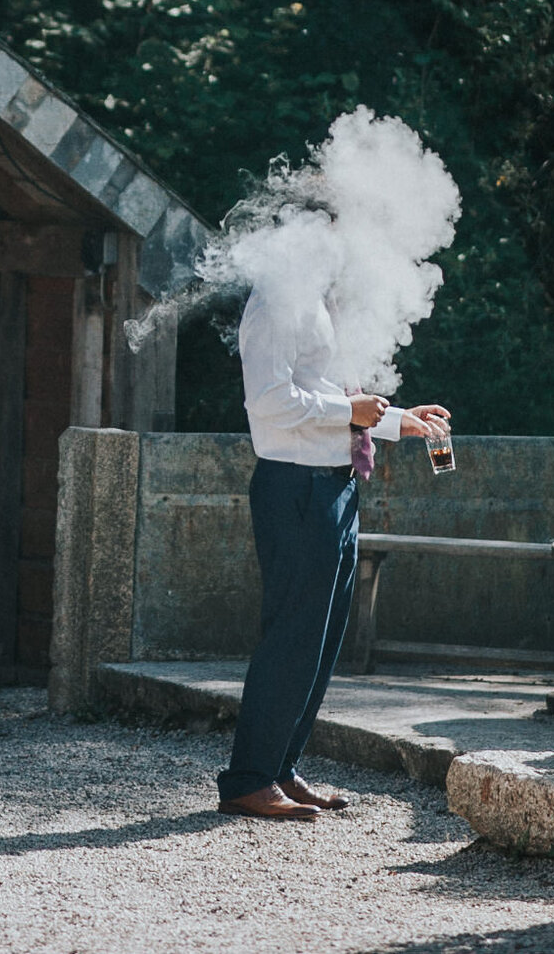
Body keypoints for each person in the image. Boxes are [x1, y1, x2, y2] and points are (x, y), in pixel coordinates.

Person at [216, 282, 452, 820]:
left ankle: (278, 768)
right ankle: (248, 779)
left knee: (321, 640)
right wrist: (351, 408)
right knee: (293, 635)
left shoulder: (325, 298)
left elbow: (339, 404)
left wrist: (398, 421)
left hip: (338, 483)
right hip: (296, 485)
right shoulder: (279, 295)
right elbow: (271, 399)